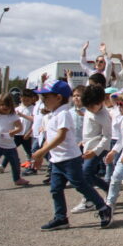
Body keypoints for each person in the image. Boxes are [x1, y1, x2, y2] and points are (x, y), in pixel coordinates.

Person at [31, 80, 113, 231]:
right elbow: (51, 137)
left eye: (46, 97)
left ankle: (103, 207)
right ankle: (61, 218)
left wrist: (41, 152)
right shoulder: (52, 115)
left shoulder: (63, 114)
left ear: (58, 97)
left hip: (71, 158)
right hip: (57, 159)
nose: (43, 100)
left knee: (81, 184)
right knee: (56, 189)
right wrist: (41, 155)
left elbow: (61, 136)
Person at [70, 85, 113, 213]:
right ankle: (108, 189)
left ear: (100, 102)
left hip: (99, 148)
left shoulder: (104, 116)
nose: (89, 109)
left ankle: (89, 200)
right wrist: (83, 142)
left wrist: (95, 151)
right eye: (87, 106)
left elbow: (107, 137)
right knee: (86, 173)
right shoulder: (89, 109)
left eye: (91, 107)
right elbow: (89, 128)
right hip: (87, 146)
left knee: (85, 173)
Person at [0, 93, 29, 186]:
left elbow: (19, 127)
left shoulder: (12, 116)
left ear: (11, 106)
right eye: (2, 105)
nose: (5, 107)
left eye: (8, 105)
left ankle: (17, 179)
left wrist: (11, 133)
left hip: (9, 145)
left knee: (15, 163)